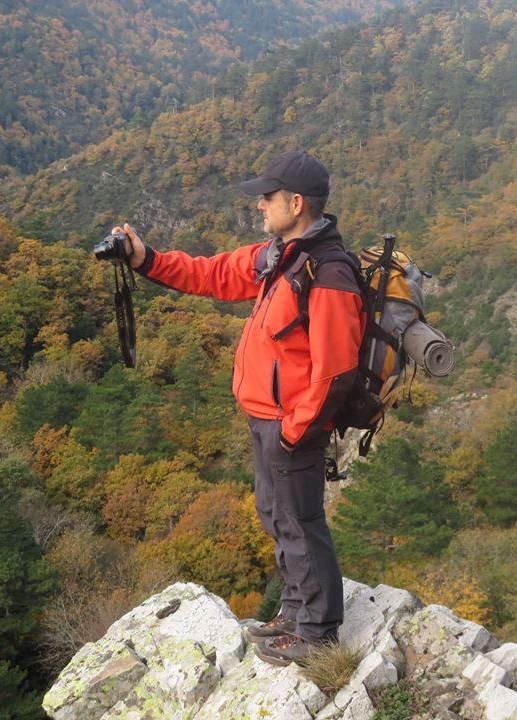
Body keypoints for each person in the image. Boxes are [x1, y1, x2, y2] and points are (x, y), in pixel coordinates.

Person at [113, 150, 365, 665]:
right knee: (276, 516)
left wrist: (297, 430)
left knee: (301, 519)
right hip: (265, 416)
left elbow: (336, 370)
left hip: (292, 423)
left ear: (296, 204)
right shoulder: (280, 254)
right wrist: (147, 259)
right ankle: (295, 610)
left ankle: (318, 634)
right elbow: (214, 273)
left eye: (267, 198)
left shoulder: (328, 271)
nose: (259, 207)